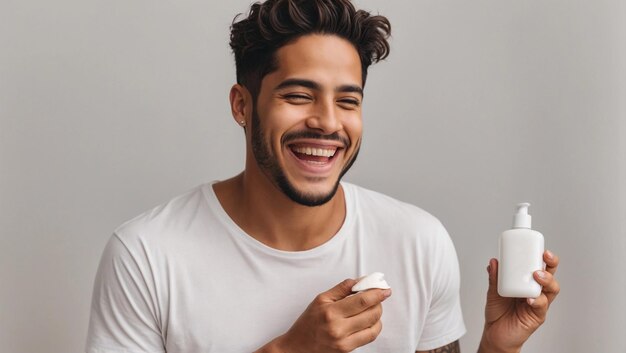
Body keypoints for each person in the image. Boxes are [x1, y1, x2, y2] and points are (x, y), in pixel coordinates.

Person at [86, 0, 560, 352]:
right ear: (242, 105)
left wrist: (499, 347)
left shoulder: (418, 241)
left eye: (348, 101)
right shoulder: (146, 256)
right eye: (298, 95)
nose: (328, 122)